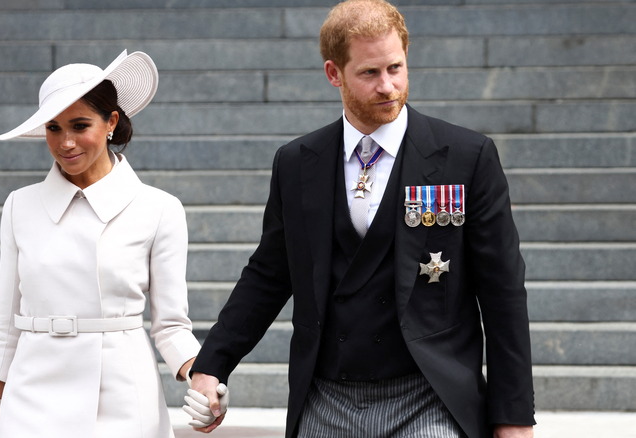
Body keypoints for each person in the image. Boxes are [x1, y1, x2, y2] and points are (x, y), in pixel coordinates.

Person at [186, 1, 535, 437]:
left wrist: (514, 417)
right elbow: (269, 274)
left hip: (430, 397)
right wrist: (211, 364)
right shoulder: (297, 163)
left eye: (396, 67)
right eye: (370, 73)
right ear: (334, 73)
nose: (388, 86)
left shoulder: (466, 157)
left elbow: (503, 291)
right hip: (325, 397)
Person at [0, 50, 201, 438]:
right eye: (53, 128)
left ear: (111, 121)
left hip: (123, 395)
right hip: (30, 394)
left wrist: (203, 380)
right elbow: (6, 323)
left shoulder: (159, 209)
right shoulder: (19, 206)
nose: (66, 143)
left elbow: (171, 326)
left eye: (79, 125)